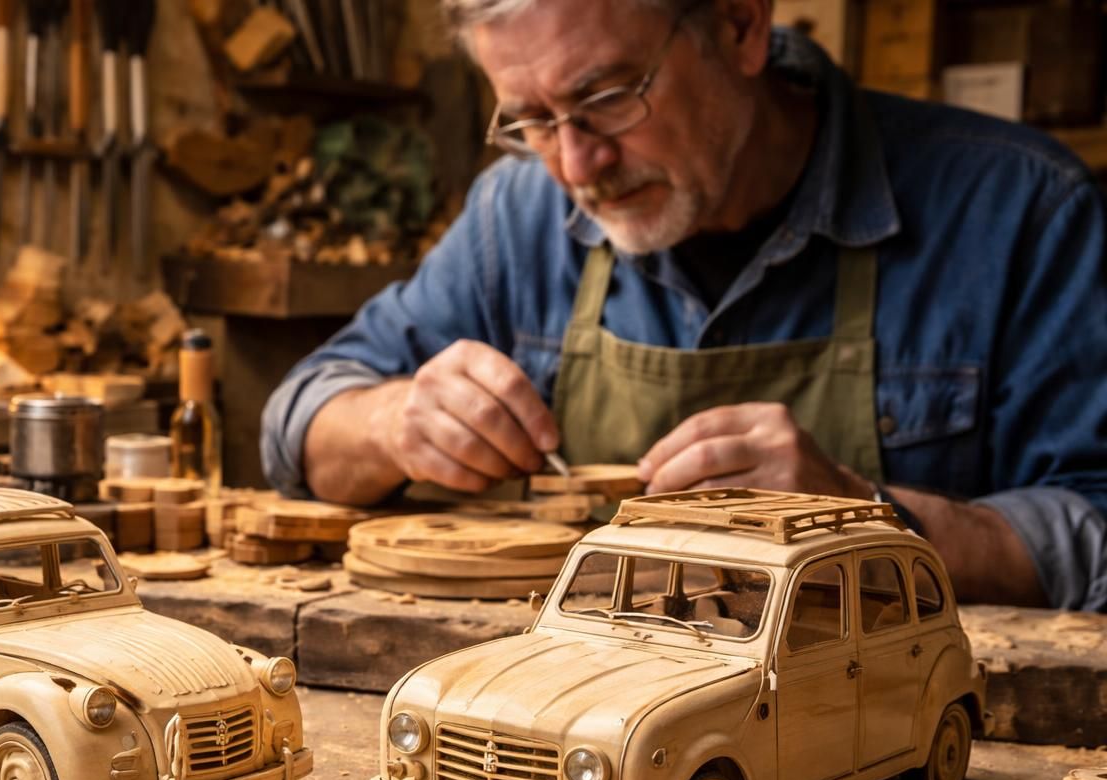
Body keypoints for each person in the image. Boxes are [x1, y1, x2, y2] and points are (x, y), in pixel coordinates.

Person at [260, 0, 1107, 610]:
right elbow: (298, 426)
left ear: (739, 25)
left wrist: (861, 522)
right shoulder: (518, 216)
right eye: (533, 121)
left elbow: (1093, 531)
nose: (576, 167)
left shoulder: (1021, 209)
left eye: (605, 99)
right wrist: (392, 421)